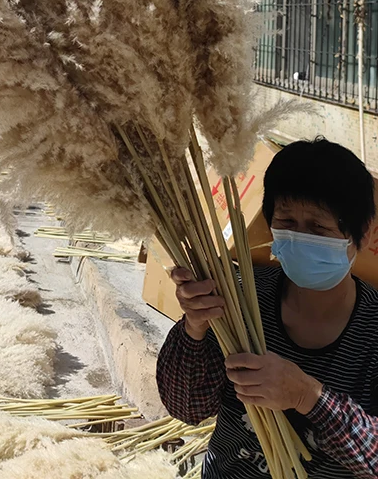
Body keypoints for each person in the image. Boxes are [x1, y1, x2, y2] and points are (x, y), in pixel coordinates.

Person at [156, 137, 378, 478]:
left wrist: (306, 395)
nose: (299, 236)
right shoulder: (240, 296)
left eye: (318, 226)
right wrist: (195, 327)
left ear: (361, 236)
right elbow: (187, 408)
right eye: (286, 223)